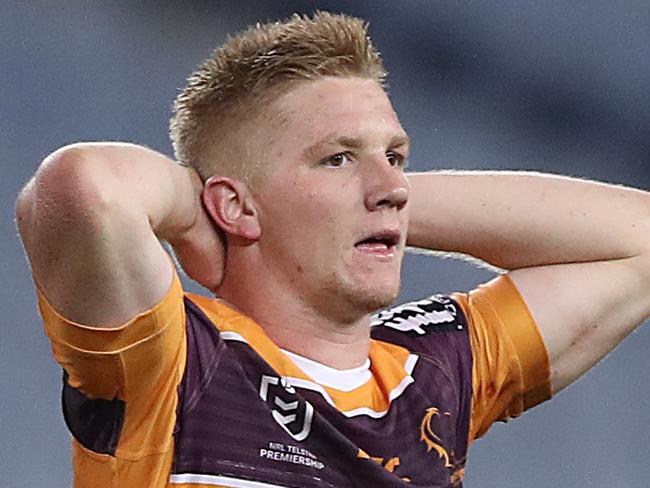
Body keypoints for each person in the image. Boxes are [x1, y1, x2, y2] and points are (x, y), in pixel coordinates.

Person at [15, 11, 650, 488]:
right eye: (337, 158)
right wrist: (195, 217)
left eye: (396, 156)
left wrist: (368, 195)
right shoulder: (176, 362)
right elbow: (82, 188)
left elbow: (640, 239)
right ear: (234, 205)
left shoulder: (435, 372)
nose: (392, 186)